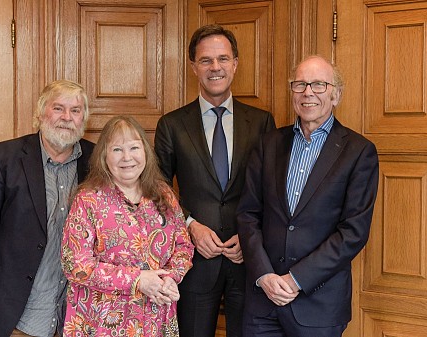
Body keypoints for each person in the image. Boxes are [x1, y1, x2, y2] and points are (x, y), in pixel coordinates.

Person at [236, 55, 379, 337]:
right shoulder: (268, 144)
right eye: (299, 84)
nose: (308, 92)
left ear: (336, 94)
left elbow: (353, 232)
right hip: (262, 302)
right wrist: (264, 275)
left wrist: (296, 279)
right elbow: (248, 214)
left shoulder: (359, 152)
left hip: (319, 306)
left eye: (318, 84)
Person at [154, 24, 276, 337]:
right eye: (206, 60)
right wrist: (190, 225)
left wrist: (251, 233)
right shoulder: (171, 124)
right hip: (195, 261)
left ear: (235, 63)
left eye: (223, 58)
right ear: (193, 66)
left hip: (247, 258)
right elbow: (158, 189)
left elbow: (271, 189)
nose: (215, 67)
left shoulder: (262, 122)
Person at [0, 79, 95, 337]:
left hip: (79, 313)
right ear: (40, 113)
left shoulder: (97, 160)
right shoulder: (4, 158)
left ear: (84, 119)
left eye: (76, 110)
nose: (67, 117)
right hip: (22, 312)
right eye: (58, 108)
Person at [61, 115, 194, 336]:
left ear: (145, 152)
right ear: (104, 156)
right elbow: (75, 264)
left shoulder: (164, 194)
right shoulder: (88, 200)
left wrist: (170, 277)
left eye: (134, 148)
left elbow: (184, 246)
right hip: (101, 323)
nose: (127, 157)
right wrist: (137, 280)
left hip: (156, 319)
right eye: (117, 150)